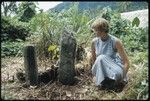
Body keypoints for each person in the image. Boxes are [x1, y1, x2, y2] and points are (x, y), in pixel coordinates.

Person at [90, 18, 129, 89]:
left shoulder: (115, 41)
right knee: (100, 58)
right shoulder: (94, 42)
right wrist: (95, 74)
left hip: (113, 66)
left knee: (116, 74)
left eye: (96, 30)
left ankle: (111, 83)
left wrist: (122, 77)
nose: (94, 32)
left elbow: (126, 62)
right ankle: (104, 82)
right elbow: (94, 60)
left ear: (103, 30)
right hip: (100, 67)